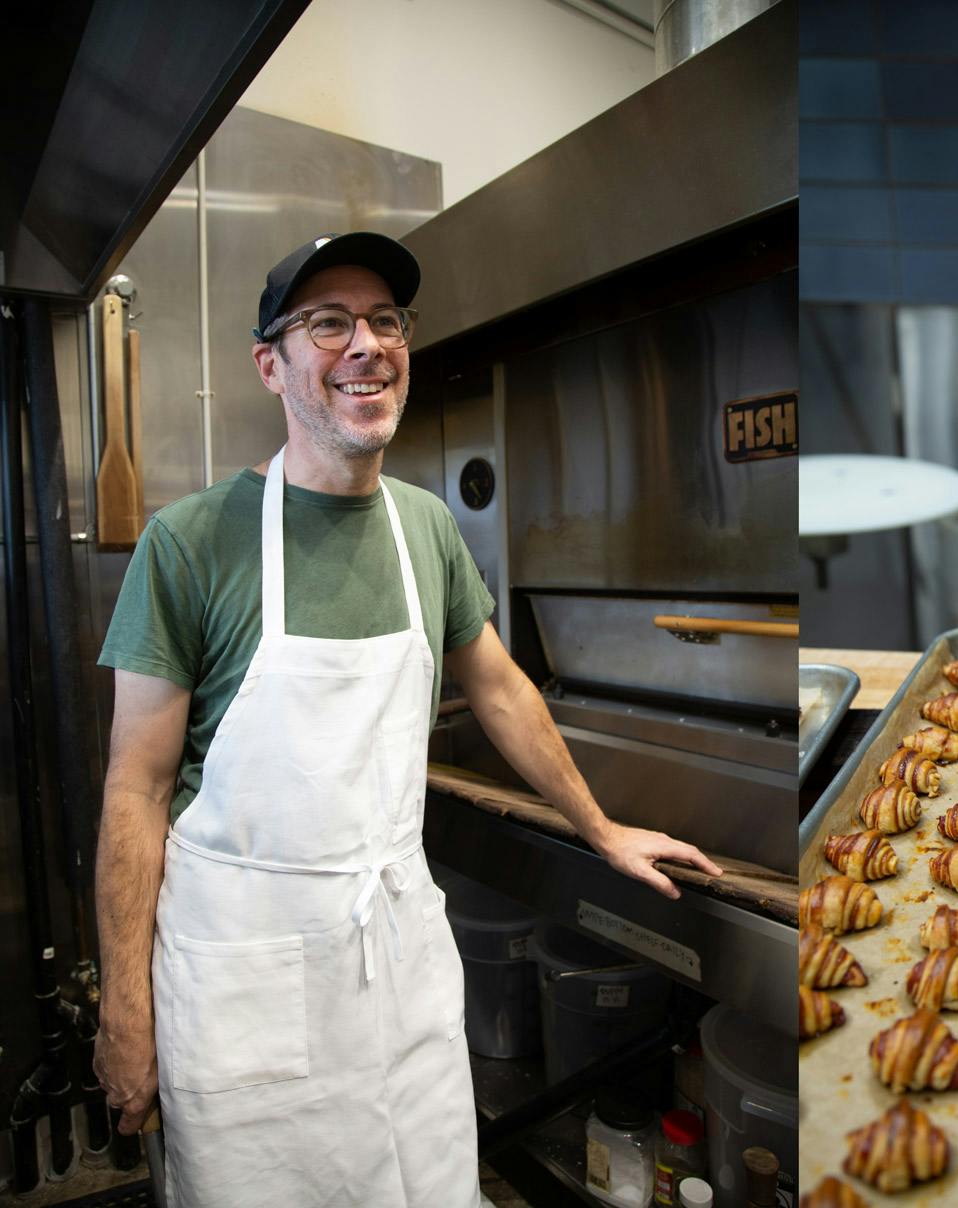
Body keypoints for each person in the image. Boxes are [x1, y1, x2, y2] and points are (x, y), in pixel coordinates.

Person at [92, 232, 723, 1207]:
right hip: (245, 979)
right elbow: (134, 786)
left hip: (397, 970)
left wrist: (599, 826)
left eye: (386, 320)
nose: (366, 344)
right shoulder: (191, 541)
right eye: (329, 323)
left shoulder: (426, 526)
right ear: (271, 363)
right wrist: (124, 1007)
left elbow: (504, 688)